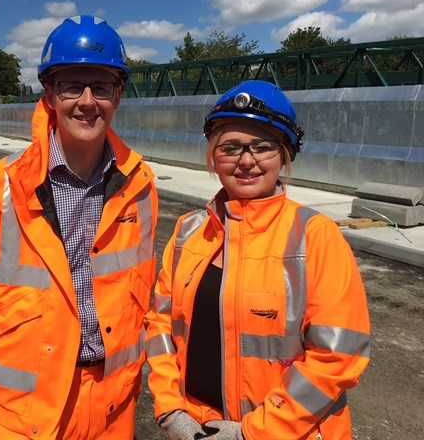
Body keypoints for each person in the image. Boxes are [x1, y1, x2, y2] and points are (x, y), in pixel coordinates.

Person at [0, 15, 159, 439]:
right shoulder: (3, 183)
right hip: (27, 407)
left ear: (117, 95)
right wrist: (18, 340)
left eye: (101, 86)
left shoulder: (141, 184)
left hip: (112, 404)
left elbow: (142, 286)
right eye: (71, 86)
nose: (87, 101)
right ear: (48, 94)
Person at [145, 80, 371, 440]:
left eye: (262, 147)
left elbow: (338, 356)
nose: (246, 161)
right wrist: (171, 408)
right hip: (196, 426)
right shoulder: (189, 230)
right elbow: (160, 328)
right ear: (212, 156)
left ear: (284, 154)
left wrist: (252, 432)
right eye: (231, 147)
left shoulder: (314, 235)